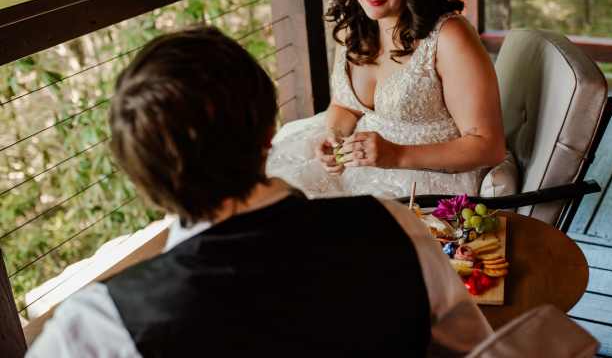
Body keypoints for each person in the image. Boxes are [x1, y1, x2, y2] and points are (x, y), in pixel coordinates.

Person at [27, 26, 492, 357]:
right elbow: (470, 347)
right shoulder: (393, 227)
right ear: (271, 133)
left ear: (144, 183)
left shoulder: (96, 327)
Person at [266, 0, 507, 199]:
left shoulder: (448, 37)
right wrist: (333, 137)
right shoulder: (352, 25)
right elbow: (347, 107)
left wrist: (397, 155)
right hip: (360, 164)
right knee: (280, 194)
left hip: (427, 181)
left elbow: (488, 146)